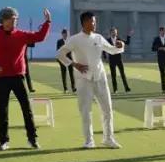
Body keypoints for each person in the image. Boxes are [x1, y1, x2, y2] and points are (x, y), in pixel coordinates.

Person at [0, 6, 51, 150]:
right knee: (3, 111)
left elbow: (40, 37)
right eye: (10, 19)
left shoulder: (22, 35)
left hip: (18, 77)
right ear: (2, 20)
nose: (13, 21)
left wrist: (47, 22)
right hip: (2, 78)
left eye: (15, 19)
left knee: (27, 109)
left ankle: (32, 139)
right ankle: (3, 141)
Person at [56, 11, 124, 149]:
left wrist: (120, 46)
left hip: (100, 77)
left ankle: (108, 138)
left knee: (107, 109)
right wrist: (74, 64)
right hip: (83, 79)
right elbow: (60, 53)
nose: (94, 24)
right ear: (85, 22)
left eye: (95, 21)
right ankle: (89, 141)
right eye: (92, 21)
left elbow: (112, 50)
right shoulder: (75, 39)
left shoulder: (98, 37)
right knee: (86, 111)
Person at [105, 27, 132, 93]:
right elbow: (104, 48)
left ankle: (126, 88)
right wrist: (105, 56)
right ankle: (115, 89)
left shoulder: (119, 39)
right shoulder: (107, 40)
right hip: (111, 59)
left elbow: (127, 42)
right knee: (113, 75)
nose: (114, 33)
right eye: (113, 32)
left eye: (115, 32)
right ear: (110, 33)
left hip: (119, 58)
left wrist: (129, 35)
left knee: (122, 74)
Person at [56, 29, 75, 93]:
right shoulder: (59, 41)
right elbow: (58, 50)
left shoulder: (70, 41)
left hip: (69, 59)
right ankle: (65, 88)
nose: (66, 35)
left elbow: (72, 49)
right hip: (62, 59)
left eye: (67, 34)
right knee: (63, 73)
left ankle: (73, 88)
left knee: (71, 73)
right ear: (62, 34)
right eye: (64, 34)